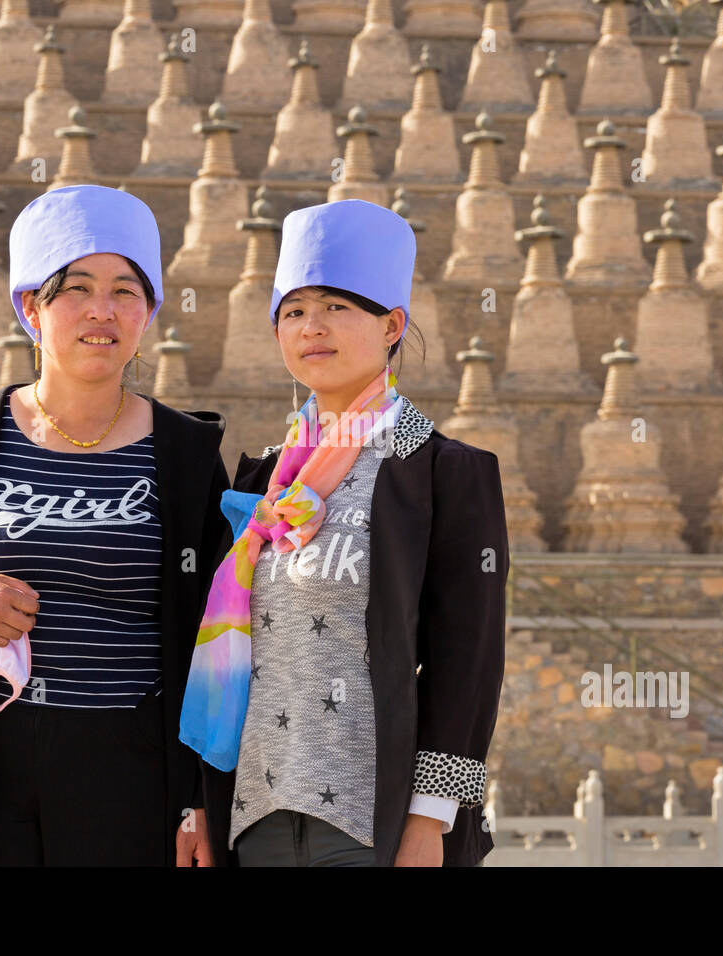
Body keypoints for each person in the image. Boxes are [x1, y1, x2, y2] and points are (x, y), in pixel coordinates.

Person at [0, 185, 227, 866]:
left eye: (127, 290)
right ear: (31, 307)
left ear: (149, 314)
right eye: (76, 288)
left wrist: (201, 797)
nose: (102, 310)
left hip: (134, 773)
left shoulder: (187, 454)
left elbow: (219, 641)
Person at [180, 198, 508, 866]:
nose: (312, 328)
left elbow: (466, 661)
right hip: (255, 815)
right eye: (294, 311)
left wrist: (431, 822)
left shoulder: (443, 474)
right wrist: (196, 806)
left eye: (337, 307)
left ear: (392, 325)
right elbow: (212, 653)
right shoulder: (259, 481)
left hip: (374, 824)